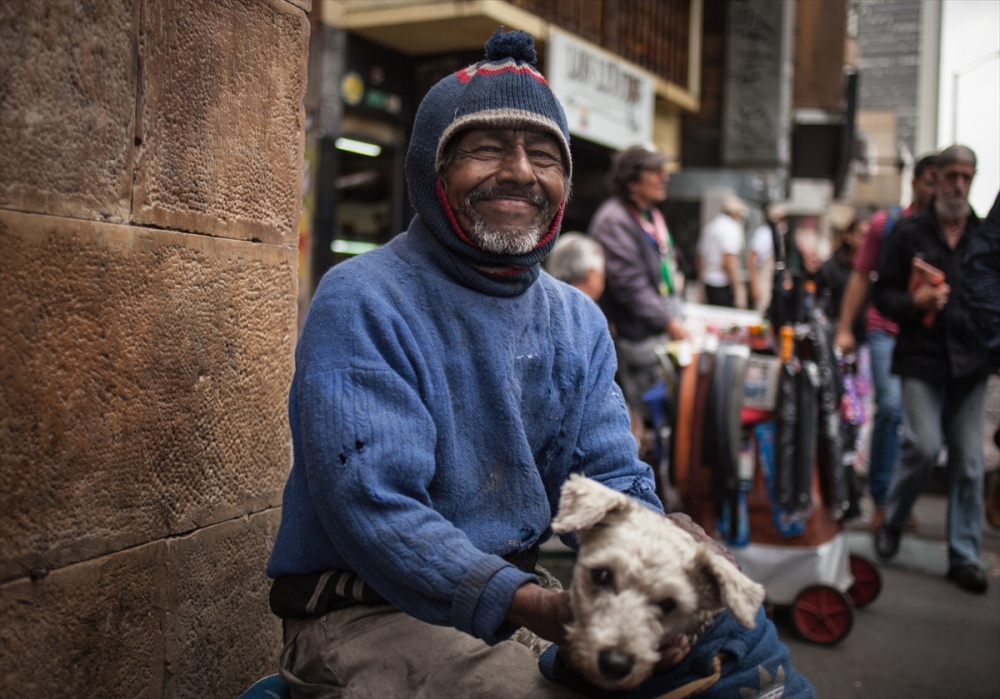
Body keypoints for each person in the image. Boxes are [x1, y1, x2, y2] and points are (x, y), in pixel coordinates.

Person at [265, 30, 715, 697]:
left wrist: (655, 565)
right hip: (366, 616)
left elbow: (610, 481)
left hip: (514, 605)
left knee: (726, 663)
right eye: (484, 148)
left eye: (543, 154)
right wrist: (530, 603)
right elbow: (375, 507)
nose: (520, 172)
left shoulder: (578, 320)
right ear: (431, 169)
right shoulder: (364, 296)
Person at [872, 145, 997, 594]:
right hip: (921, 358)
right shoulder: (907, 234)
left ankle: (964, 555)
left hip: (972, 364)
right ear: (937, 178)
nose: (958, 185)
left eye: (967, 176)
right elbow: (882, 296)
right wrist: (914, 303)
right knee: (923, 446)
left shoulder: (986, 236)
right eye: (951, 176)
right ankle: (894, 518)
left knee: (968, 462)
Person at [834, 154, 937, 531]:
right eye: (929, 180)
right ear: (915, 181)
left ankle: (901, 498)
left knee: (923, 430)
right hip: (885, 329)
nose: (935, 188)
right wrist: (845, 327)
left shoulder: (956, 227)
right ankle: (881, 498)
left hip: (928, 337)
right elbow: (861, 277)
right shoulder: (887, 223)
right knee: (890, 409)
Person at [587, 144, 688, 343]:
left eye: (664, 171)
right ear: (631, 181)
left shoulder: (653, 217)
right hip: (632, 339)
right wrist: (669, 323)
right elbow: (630, 285)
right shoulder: (614, 220)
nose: (664, 177)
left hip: (654, 330)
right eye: (655, 171)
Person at [815, 216, 869, 346]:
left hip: (865, 337)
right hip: (836, 335)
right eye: (862, 236)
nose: (866, 242)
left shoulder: (875, 270)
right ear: (848, 236)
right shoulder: (832, 268)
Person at [697, 194, 748, 308]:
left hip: (708, 281)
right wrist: (737, 288)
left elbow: (700, 256)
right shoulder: (731, 228)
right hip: (723, 283)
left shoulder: (710, 226)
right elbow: (728, 260)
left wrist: (702, 280)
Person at [747, 203, 786, 313]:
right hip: (762, 282)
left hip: (772, 283)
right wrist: (754, 286)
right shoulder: (764, 234)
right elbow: (751, 259)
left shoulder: (778, 235)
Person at [544, 232, 605, 301]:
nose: (602, 286)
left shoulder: (543, 301)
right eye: (602, 278)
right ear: (591, 276)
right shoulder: (587, 310)